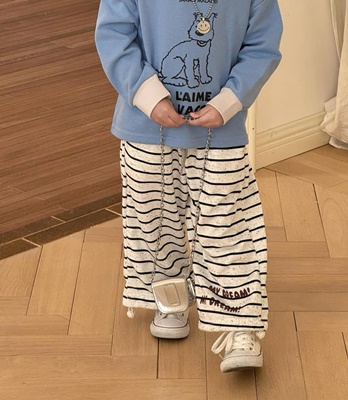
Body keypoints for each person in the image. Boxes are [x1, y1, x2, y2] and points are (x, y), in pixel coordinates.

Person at [95, 0, 283, 373]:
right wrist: (149, 97)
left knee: (226, 222)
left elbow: (262, 45)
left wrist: (230, 101)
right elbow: (114, 36)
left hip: (222, 129)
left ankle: (239, 323)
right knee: (154, 215)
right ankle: (170, 295)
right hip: (145, 125)